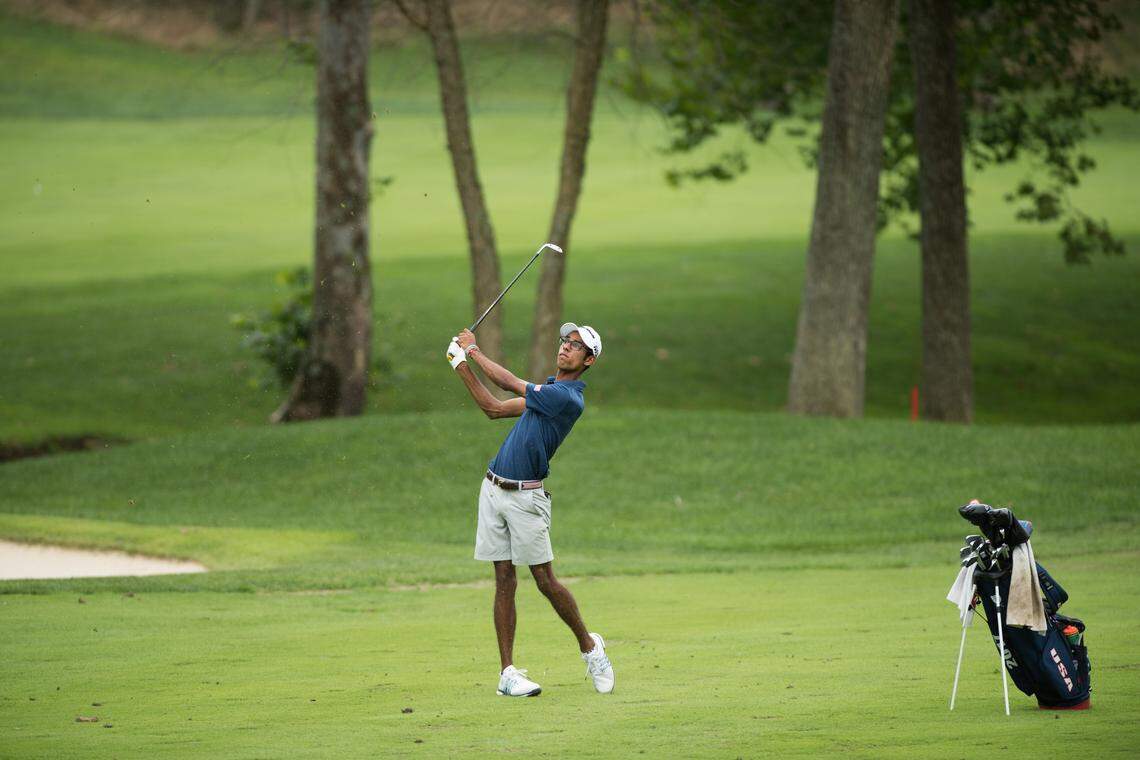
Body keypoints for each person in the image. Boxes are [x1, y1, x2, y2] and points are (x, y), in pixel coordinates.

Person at [445, 322, 614, 697]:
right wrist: (461, 367)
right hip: (492, 489)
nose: (566, 347)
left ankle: (590, 646)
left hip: (527, 499)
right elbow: (492, 408)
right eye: (565, 341)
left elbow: (507, 383)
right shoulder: (549, 391)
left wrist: (472, 351)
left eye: (576, 346)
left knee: (544, 580)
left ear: (589, 360)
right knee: (503, 579)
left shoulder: (567, 398)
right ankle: (507, 673)